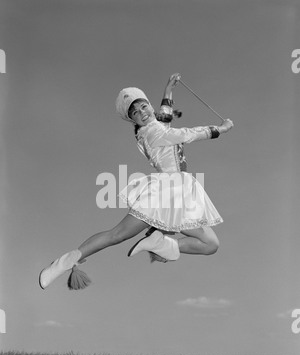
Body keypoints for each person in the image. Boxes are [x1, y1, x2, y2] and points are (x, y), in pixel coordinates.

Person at [39, 73, 233, 290]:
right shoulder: (152, 132)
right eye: (135, 112)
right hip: (167, 190)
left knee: (210, 244)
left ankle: (160, 242)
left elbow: (165, 118)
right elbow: (185, 134)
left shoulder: (154, 128)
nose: (142, 113)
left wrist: (168, 90)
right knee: (117, 234)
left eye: (144, 107)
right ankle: (62, 264)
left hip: (179, 191)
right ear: (132, 119)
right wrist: (220, 129)